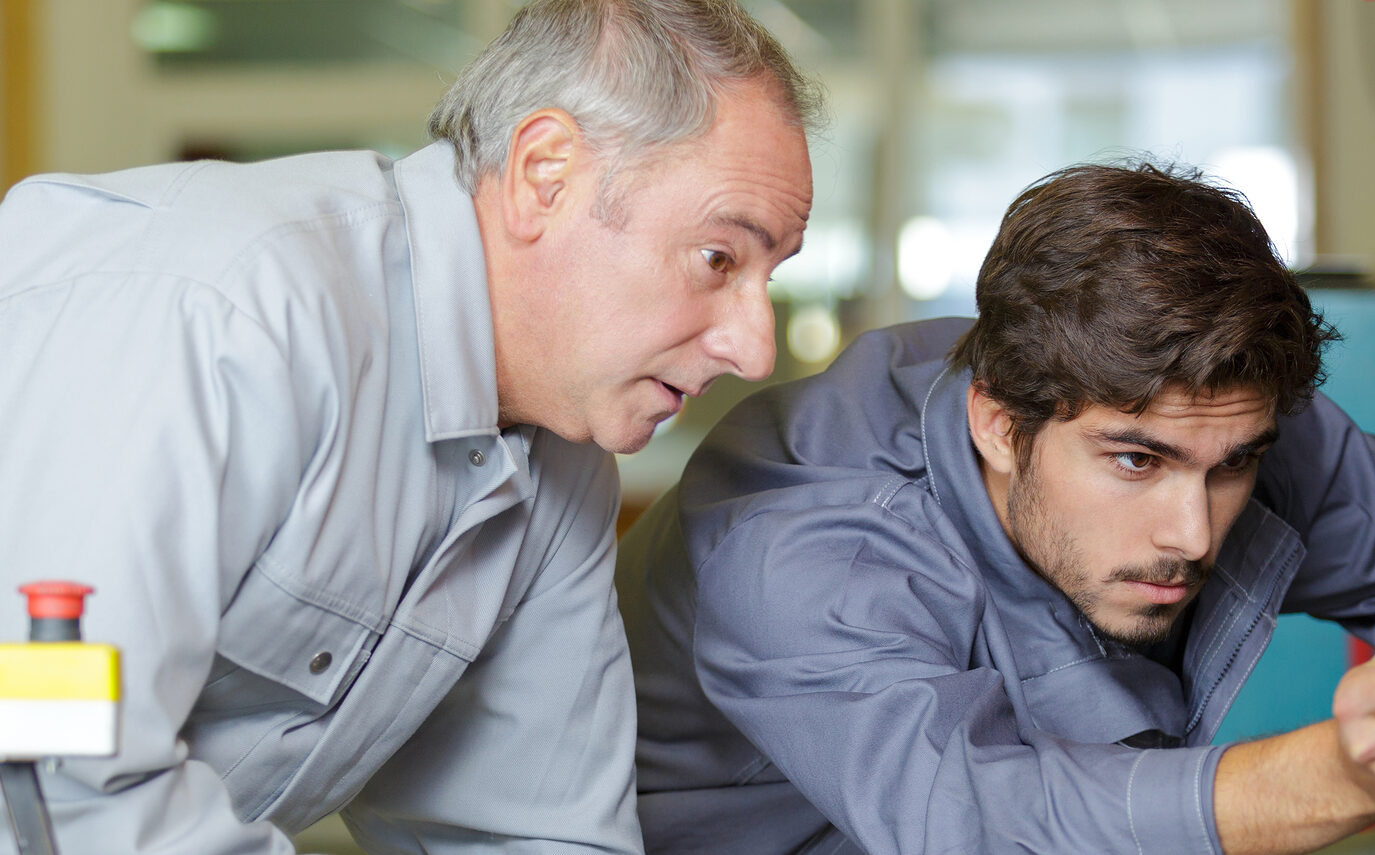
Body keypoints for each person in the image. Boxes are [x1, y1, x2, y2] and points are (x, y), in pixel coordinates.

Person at [0, 1, 817, 852]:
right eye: (719, 257)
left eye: (770, 274)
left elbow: (538, 830)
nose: (755, 350)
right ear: (546, 174)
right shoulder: (223, 316)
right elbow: (55, 766)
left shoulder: (561, 476)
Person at [616, 162, 1375, 854]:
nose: (1193, 532)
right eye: (1135, 462)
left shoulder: (1208, 408)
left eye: (1233, 466)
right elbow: (972, 817)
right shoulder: (807, 550)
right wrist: (1330, 777)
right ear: (1001, 427)